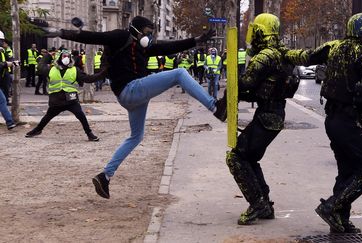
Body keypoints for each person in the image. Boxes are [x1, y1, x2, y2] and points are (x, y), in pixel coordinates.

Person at [45, 16, 224, 199]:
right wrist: (61, 33)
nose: (150, 38)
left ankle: (105, 176)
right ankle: (214, 107)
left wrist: (196, 40)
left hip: (129, 96)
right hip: (131, 90)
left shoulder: (144, 48)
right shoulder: (121, 36)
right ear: (136, 30)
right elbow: (94, 37)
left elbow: (169, 46)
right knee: (179, 73)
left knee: (136, 136)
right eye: (147, 33)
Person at [217, 13, 307, 225]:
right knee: (249, 157)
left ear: (260, 31)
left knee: (236, 158)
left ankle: (258, 203)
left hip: (267, 116)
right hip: (274, 114)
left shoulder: (265, 56)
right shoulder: (283, 54)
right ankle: (264, 202)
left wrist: (230, 91)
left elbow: (246, 85)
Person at [310, 13, 362, 233]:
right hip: (348, 122)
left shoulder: (336, 49)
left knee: (346, 172)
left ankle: (340, 220)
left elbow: (307, 56)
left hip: (333, 120)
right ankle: (331, 207)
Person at [25, 50, 100, 141]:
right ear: (59, 58)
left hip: (70, 100)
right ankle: (37, 130)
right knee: (47, 116)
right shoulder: (51, 69)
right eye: (64, 56)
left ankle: (89, 133)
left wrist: (102, 74)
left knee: (81, 115)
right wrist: (48, 55)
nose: (66, 58)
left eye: (68, 56)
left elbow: (88, 78)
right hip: (56, 100)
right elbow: (40, 67)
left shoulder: (75, 70)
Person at [0, 31, 17, 129]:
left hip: (2, 79)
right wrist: (6, 64)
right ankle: (9, 122)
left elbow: (8, 58)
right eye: (1, 41)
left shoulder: (2, 51)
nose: (2, 43)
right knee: (2, 101)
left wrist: (12, 62)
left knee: (2, 101)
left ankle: (10, 122)